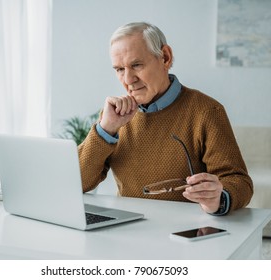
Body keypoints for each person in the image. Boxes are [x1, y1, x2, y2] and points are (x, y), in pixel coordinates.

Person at [78, 22, 253, 215]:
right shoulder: (112, 118)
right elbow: (76, 183)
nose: (128, 80)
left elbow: (239, 181)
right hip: (128, 229)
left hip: (186, 232)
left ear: (166, 58)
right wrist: (105, 130)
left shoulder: (207, 111)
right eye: (119, 69)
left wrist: (219, 198)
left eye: (136, 65)